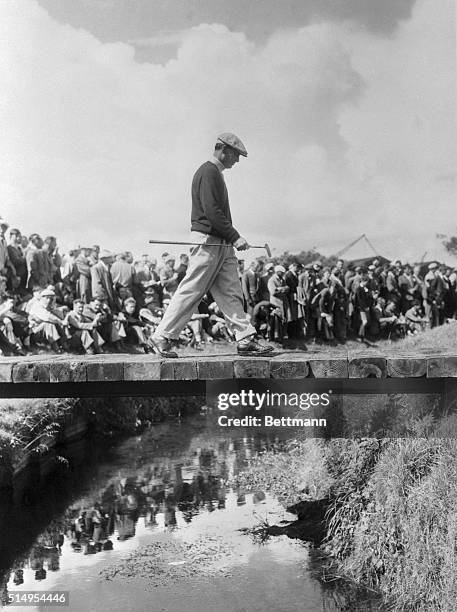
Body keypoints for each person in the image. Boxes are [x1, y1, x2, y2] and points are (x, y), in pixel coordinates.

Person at [151, 132, 274, 357]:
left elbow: (216, 213)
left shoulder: (215, 173)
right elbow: (212, 211)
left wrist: (230, 238)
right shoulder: (208, 171)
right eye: (236, 155)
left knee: (230, 291)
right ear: (223, 150)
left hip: (221, 242)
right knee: (193, 289)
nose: (237, 161)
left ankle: (245, 337)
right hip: (209, 241)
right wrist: (235, 236)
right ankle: (162, 335)